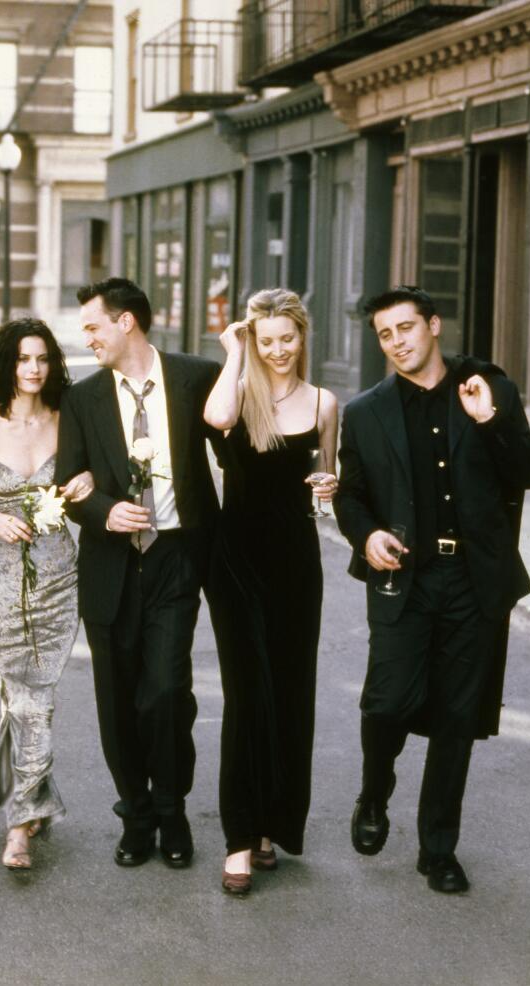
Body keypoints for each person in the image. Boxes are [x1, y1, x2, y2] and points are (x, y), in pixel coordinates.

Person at [333, 285, 530, 894]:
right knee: (387, 701)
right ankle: (375, 792)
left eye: (405, 328)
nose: (396, 342)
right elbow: (350, 496)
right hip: (404, 576)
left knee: (456, 716)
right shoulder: (368, 411)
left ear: (433, 326)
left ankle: (439, 849)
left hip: (474, 578)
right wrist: (366, 534)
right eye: (384, 335)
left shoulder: (487, 391)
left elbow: (529, 470)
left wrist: (491, 420)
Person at [54, 277, 221, 870]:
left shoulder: (197, 377)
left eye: (94, 326)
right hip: (111, 567)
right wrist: (104, 510)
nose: (89, 337)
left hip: (177, 557)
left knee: (167, 692)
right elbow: (68, 488)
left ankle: (173, 809)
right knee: (118, 698)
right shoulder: (82, 398)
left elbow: (236, 445)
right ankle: (136, 812)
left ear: (127, 322)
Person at [202, 288, 338, 896]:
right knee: (245, 694)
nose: (278, 350)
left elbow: (327, 479)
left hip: (296, 564)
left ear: (303, 338)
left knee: (288, 693)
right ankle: (237, 837)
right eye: (267, 340)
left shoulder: (326, 403)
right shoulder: (241, 394)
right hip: (237, 562)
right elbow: (216, 420)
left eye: (288, 338)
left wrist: (331, 486)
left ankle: (269, 827)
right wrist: (233, 349)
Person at [0, 318, 93, 871]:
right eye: (22, 359)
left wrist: (86, 484)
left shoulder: (73, 420)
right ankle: (26, 811)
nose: (33, 369)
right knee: (19, 695)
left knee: (34, 696)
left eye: (42, 359)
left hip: (59, 573)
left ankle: (23, 811)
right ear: (6, 365)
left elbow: (91, 483)